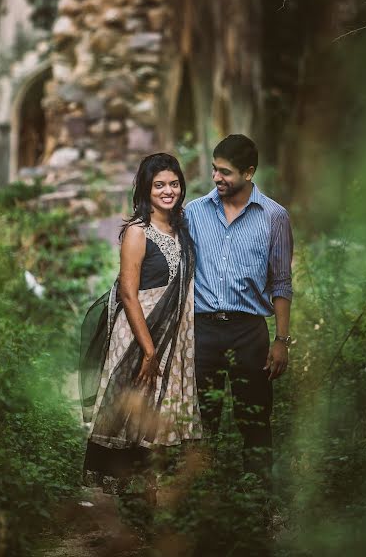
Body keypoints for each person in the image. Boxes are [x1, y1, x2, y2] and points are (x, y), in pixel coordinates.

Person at [79, 153, 202, 500]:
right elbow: (130, 296)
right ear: (146, 189)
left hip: (174, 337)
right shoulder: (137, 232)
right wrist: (149, 350)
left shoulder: (181, 228)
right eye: (159, 185)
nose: (168, 191)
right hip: (139, 335)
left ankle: (153, 492)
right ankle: (131, 499)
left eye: (174, 184)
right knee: (135, 409)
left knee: (160, 412)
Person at [184, 134, 293, 485]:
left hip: (249, 333)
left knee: (256, 422)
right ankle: (199, 505)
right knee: (200, 423)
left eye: (225, 172)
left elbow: (281, 283)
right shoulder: (193, 213)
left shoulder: (274, 217)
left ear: (249, 173)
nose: (216, 177)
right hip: (202, 331)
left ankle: (257, 503)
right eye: (214, 169)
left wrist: (281, 340)